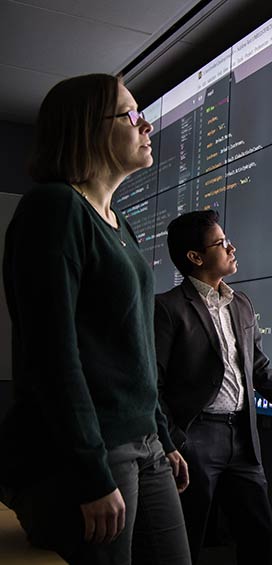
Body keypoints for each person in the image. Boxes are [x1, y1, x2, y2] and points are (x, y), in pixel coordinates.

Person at [0, 74, 191, 564]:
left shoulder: (118, 222)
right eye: (130, 114)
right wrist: (89, 472)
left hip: (143, 443)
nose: (145, 123)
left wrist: (163, 437)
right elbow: (52, 354)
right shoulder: (56, 207)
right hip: (92, 453)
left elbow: (133, 351)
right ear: (89, 129)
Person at [154, 210, 272, 565]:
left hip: (243, 439)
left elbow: (259, 370)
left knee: (259, 536)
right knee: (186, 541)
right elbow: (152, 384)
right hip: (194, 439)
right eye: (220, 243)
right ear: (196, 257)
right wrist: (172, 441)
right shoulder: (168, 309)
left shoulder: (241, 304)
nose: (231, 247)